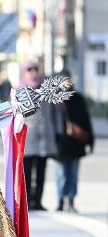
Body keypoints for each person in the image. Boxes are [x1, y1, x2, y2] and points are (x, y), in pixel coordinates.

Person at [52, 69, 95, 212]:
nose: (66, 82)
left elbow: (86, 121)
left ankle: (70, 200)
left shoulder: (78, 98)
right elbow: (51, 123)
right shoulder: (54, 99)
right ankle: (60, 200)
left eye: (67, 79)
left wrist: (89, 140)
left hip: (76, 143)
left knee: (73, 172)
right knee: (61, 173)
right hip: (60, 143)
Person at [19, 58, 57, 211]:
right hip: (27, 137)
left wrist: (58, 132)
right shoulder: (19, 91)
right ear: (24, 72)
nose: (33, 72)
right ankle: (28, 200)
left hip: (44, 137)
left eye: (35, 69)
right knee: (27, 171)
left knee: (41, 171)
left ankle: (38, 201)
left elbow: (55, 112)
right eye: (29, 70)